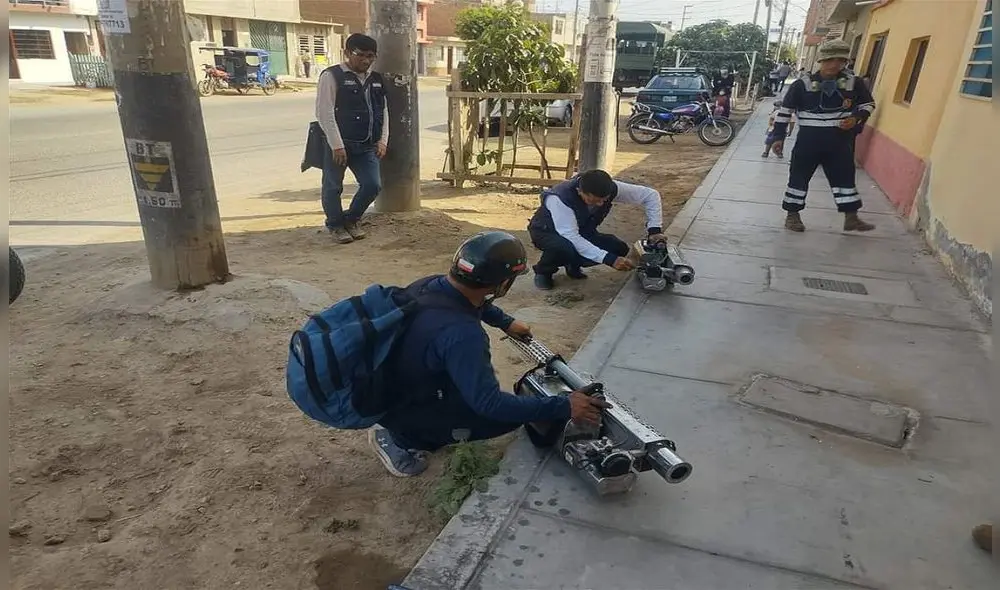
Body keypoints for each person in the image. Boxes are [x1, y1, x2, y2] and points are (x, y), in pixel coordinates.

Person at [369, 231, 611, 477]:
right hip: (401, 401)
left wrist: (505, 322)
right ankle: (399, 439)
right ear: (503, 284)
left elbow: (466, 300)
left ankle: (402, 419)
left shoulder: (431, 284)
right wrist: (563, 405)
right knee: (504, 418)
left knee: (477, 393)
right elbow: (491, 405)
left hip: (388, 376)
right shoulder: (463, 335)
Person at [769, 39, 877, 233]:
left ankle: (851, 217)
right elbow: (785, 111)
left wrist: (856, 118)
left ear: (846, 61)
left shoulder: (854, 83)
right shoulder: (803, 84)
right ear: (821, 60)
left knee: (845, 179)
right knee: (798, 178)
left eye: (840, 60)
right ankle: (792, 215)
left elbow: (868, 104)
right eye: (830, 60)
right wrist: (778, 137)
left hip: (840, 142)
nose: (834, 64)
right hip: (808, 142)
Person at [526, 169, 667, 291]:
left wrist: (654, 230)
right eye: (593, 200)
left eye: (603, 200)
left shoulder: (610, 188)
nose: (600, 204)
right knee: (564, 248)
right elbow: (571, 236)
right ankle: (544, 271)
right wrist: (609, 259)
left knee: (618, 248)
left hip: (581, 232)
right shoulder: (560, 198)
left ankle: (572, 263)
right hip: (546, 232)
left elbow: (650, 195)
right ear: (580, 191)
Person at [315, 33, 388, 244]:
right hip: (338, 144)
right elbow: (324, 113)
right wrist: (337, 145)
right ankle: (336, 225)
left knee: (372, 185)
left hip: (367, 145)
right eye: (360, 55)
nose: (365, 60)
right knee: (332, 187)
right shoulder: (331, 76)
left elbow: (384, 111)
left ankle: (351, 219)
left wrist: (382, 140)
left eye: (371, 56)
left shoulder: (376, 79)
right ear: (347, 53)